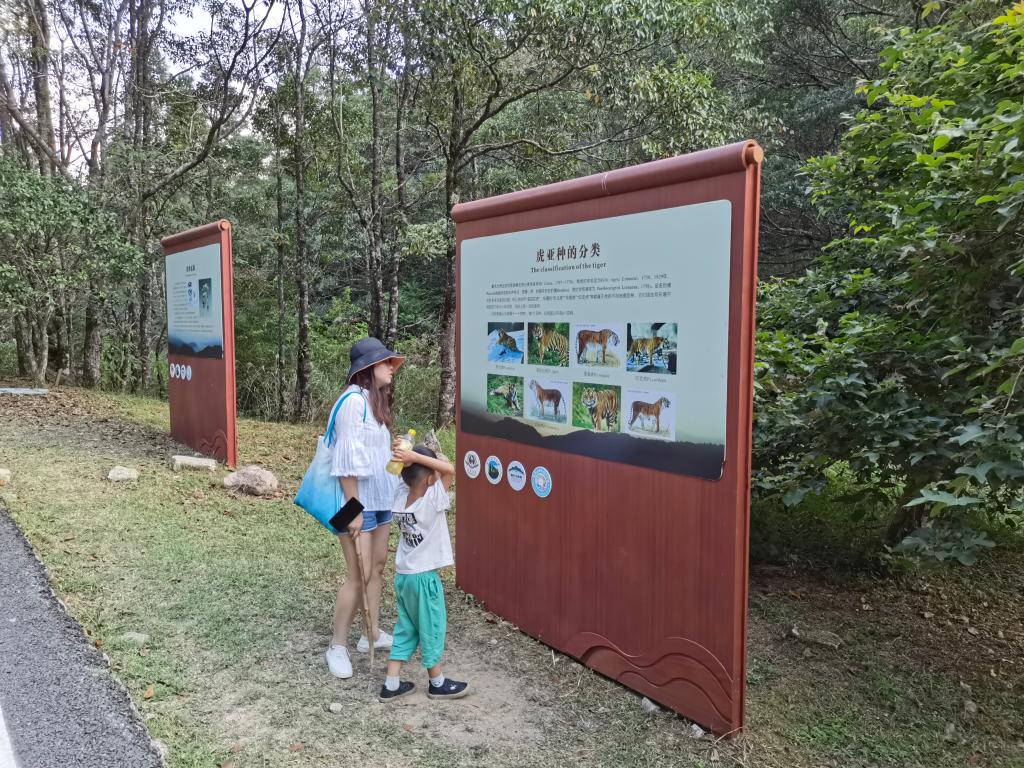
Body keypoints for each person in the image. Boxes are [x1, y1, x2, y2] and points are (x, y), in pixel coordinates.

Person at [325, 337, 405, 679]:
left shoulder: (374, 403)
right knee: (358, 574)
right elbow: (345, 463)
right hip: (353, 504)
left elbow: (371, 454)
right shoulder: (353, 402)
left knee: (378, 567)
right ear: (369, 367)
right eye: (386, 362)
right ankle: (337, 645)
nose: (392, 367)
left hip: (381, 499)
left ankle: (370, 633)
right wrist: (355, 509)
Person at [378, 444, 469, 701]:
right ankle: (437, 682)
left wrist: (406, 457)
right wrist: (415, 457)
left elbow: (415, 474)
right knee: (432, 627)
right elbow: (450, 468)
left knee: (406, 627)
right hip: (424, 578)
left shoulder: (400, 497)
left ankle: (391, 684)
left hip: (404, 577)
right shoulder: (432, 499)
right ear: (430, 479)